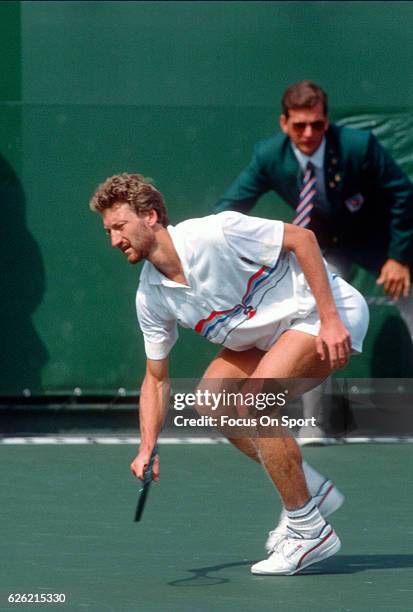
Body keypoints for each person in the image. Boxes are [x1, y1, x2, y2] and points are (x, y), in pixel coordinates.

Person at [89, 172, 369, 575]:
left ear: (150, 216)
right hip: (269, 335)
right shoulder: (150, 295)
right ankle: (310, 491)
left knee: (254, 404)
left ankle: (310, 530)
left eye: (120, 227)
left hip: (324, 314)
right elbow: (156, 378)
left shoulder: (215, 232)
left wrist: (329, 320)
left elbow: (302, 239)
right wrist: (147, 446)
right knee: (210, 400)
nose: (115, 240)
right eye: (109, 231)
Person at [215, 79, 413, 441]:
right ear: (284, 123)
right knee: (315, 313)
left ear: (327, 122)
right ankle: (314, 422)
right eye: (299, 125)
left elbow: (404, 195)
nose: (308, 133)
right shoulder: (269, 156)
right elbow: (229, 210)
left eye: (317, 125)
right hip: (322, 244)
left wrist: (398, 258)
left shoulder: (358, 147)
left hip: (380, 239)